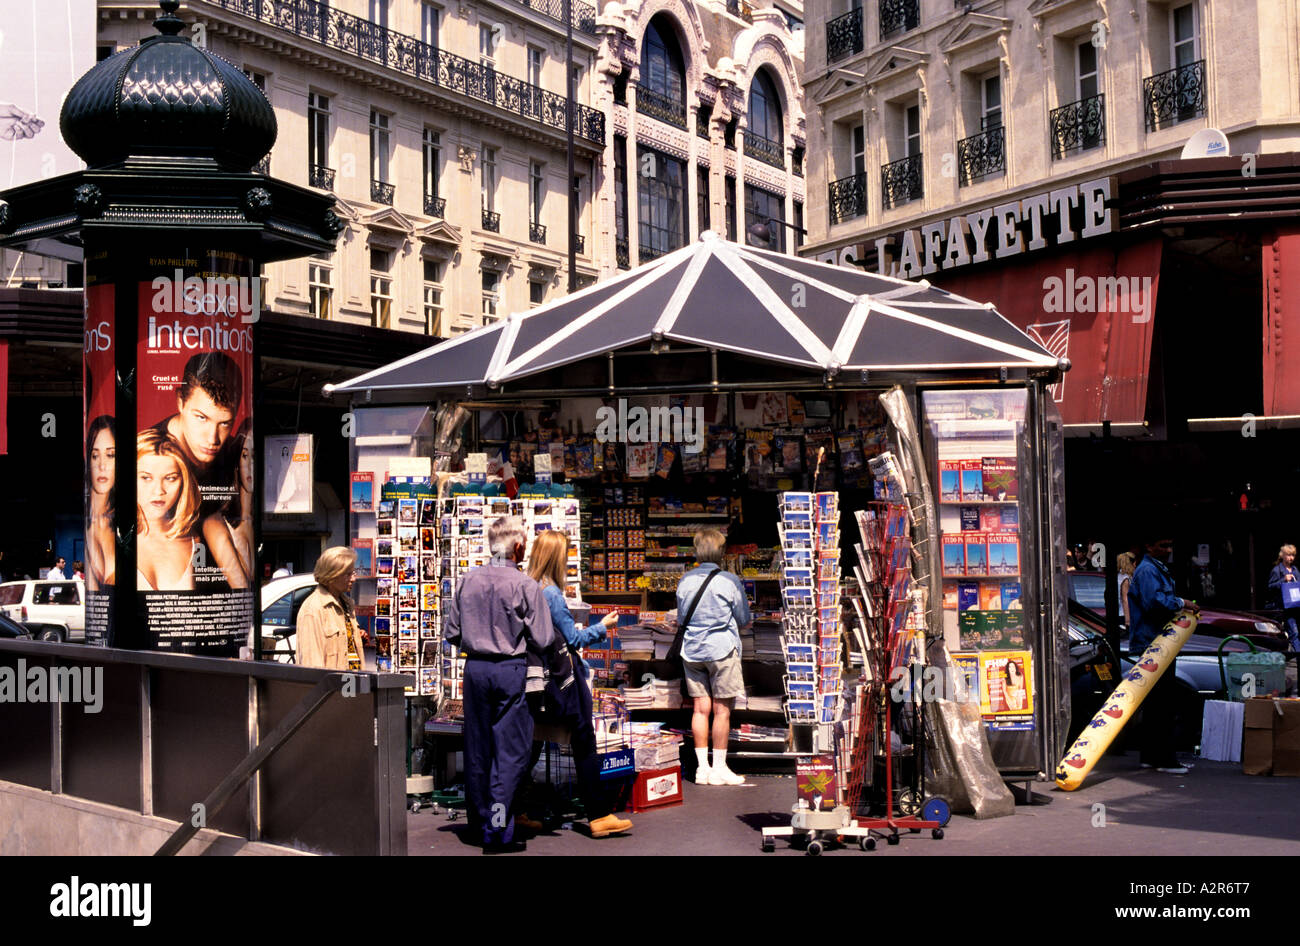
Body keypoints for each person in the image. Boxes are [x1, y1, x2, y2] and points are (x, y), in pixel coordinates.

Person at [443, 516, 559, 853]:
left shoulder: (468, 580)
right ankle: (497, 830)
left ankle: (482, 825)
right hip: (510, 669)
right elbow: (543, 637)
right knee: (509, 753)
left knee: (478, 749)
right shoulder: (525, 585)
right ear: (519, 546)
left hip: (475, 670)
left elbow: (452, 633)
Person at [524, 530, 632, 839]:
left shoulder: (527, 588)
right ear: (556, 558)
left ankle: (514, 809)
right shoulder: (551, 594)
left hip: (536, 679)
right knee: (584, 740)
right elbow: (573, 640)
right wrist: (603, 627)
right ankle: (598, 815)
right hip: (564, 680)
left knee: (530, 742)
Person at [675, 527, 752, 786]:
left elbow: (680, 618)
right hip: (721, 648)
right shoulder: (729, 580)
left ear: (697, 551)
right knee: (721, 710)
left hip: (692, 650)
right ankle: (720, 767)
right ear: (721, 552)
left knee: (700, 708)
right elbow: (743, 619)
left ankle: (702, 768)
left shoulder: (685, 580)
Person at [1128, 532, 1200, 774]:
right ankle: (1164, 759)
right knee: (1163, 703)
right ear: (1149, 545)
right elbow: (1156, 603)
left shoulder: (1151, 568)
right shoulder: (1149, 570)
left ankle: (1151, 756)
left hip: (1154, 641)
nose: (1168, 549)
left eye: (1170, 544)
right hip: (1155, 642)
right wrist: (1182, 603)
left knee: (1155, 704)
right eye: (1163, 545)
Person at [135, 429, 201, 591]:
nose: (159, 491)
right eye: (146, 478)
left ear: (183, 482)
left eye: (170, 478)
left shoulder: (196, 543)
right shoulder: (111, 540)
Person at [295, 547, 363, 671]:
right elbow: (312, 665)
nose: (353, 579)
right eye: (348, 574)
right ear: (332, 576)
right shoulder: (313, 609)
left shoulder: (346, 604)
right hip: (334, 687)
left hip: (351, 685)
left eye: (353, 573)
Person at [214, 419, 255, 586]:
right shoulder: (223, 524)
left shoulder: (252, 520)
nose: (250, 466)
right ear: (237, 459)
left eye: (255, 456)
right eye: (245, 455)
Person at [85, 415, 117, 591]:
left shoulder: (135, 520)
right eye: (95, 455)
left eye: (111, 455)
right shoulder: (89, 524)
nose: (102, 465)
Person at [1267, 544, 1300, 652]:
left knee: (1294, 633)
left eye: (1293, 555)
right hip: (1280, 608)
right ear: (1283, 556)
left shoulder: (1295, 570)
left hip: (1293, 607)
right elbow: (1270, 587)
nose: (1291, 558)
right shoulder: (1277, 570)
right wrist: (1283, 580)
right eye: (1289, 555)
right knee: (1281, 634)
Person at [1116, 550, 1137, 626]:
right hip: (1124, 615)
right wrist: (1128, 621)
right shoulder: (1125, 579)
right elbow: (1125, 600)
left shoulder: (1120, 576)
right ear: (1132, 563)